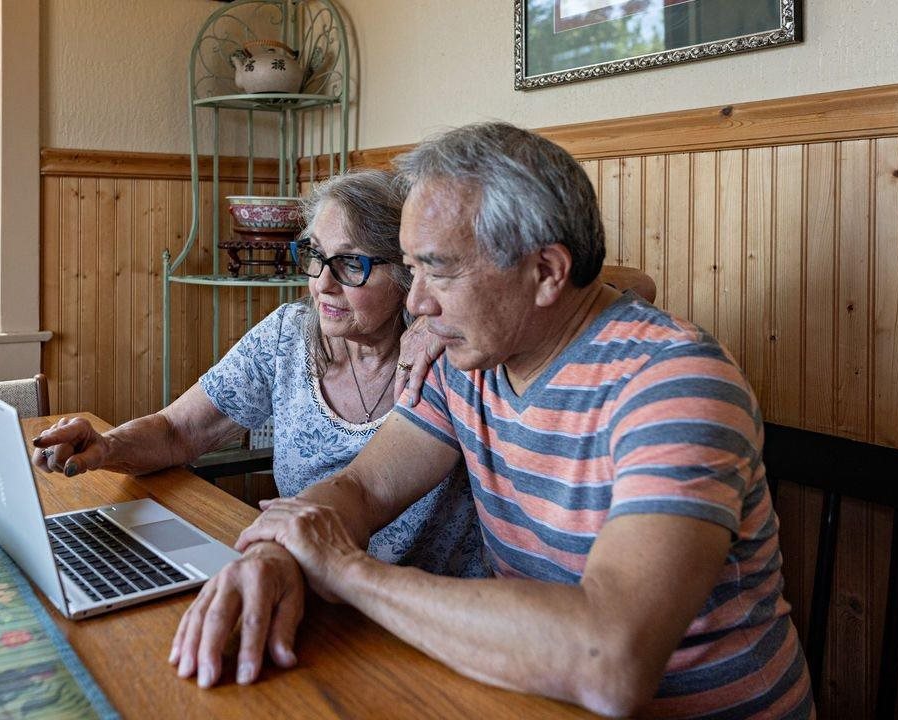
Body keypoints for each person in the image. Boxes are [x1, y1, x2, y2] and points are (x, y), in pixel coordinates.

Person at [169, 123, 814, 719]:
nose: (416, 304)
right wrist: (276, 560)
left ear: (546, 273)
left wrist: (345, 570)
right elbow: (362, 489)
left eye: (439, 270)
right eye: (412, 269)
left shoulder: (675, 383)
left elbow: (608, 661)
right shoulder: (467, 359)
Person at [32, 169, 487, 580]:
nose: (322, 284)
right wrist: (108, 445)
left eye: (351, 264)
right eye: (315, 256)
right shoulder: (287, 337)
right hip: (308, 583)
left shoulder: (445, 355)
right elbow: (177, 430)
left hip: (426, 608)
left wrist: (440, 320)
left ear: (410, 273)